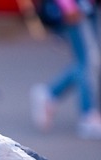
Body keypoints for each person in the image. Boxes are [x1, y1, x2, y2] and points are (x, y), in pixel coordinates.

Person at [31, 0, 101, 140]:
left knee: (87, 60)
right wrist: (67, 5)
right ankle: (88, 114)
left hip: (89, 6)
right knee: (89, 59)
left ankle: (50, 93)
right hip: (76, 6)